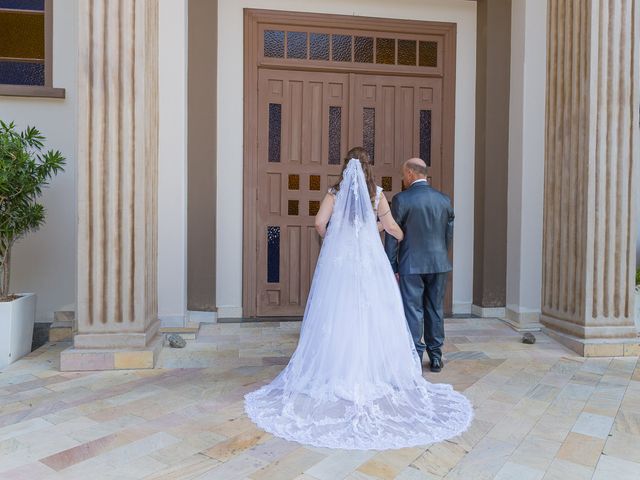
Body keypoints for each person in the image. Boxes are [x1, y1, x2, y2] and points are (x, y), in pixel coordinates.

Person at [244, 147, 472, 450]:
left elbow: (318, 224)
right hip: (368, 261)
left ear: (345, 167)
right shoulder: (376, 193)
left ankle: (335, 369)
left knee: (339, 311)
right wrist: (393, 234)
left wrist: (336, 236)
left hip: (341, 262)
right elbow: (391, 227)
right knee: (375, 311)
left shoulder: (335, 192)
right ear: (368, 167)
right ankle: (377, 369)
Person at [385, 158, 454, 373]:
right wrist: (441, 255)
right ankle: (435, 357)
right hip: (439, 263)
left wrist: (392, 266)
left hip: (411, 264)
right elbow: (448, 235)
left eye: (404, 175)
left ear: (411, 174)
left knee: (413, 310)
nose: (403, 179)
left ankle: (415, 356)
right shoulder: (444, 200)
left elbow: (392, 236)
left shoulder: (401, 200)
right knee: (435, 308)